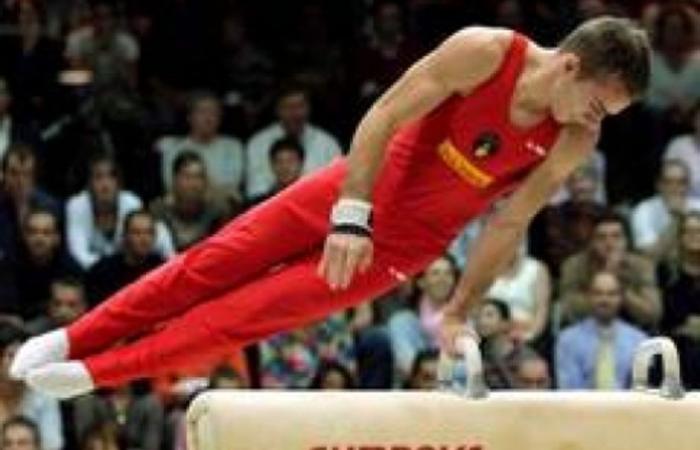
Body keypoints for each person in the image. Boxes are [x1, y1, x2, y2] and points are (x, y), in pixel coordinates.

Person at [11, 18, 650, 398]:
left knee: (240, 318)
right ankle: (72, 336)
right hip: (350, 191)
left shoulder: (574, 138)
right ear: (570, 66)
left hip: (400, 251)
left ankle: (96, 372)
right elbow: (384, 114)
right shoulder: (486, 52)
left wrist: (458, 311)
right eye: (599, 105)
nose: (598, 122)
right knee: (209, 265)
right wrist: (352, 212)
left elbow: (509, 223)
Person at [559, 212, 662, 330]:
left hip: (633, 329)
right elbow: (569, 311)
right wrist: (605, 279)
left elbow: (652, 314)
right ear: (592, 242)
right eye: (602, 237)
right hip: (585, 330)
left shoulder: (641, 266)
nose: (609, 243)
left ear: (626, 241)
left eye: (616, 237)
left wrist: (620, 288)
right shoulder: (574, 266)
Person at [556, 271, 648, 390]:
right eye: (598, 293)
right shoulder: (568, 340)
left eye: (611, 294)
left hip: (627, 402)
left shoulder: (639, 341)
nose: (605, 300)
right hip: (582, 402)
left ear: (621, 298)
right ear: (588, 296)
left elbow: (641, 391)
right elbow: (570, 389)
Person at [631, 159, 700, 260]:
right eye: (668, 182)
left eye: (681, 182)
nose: (674, 187)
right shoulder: (643, 211)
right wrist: (676, 219)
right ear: (658, 185)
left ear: (688, 185)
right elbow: (649, 255)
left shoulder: (698, 206)